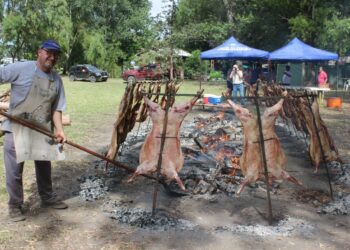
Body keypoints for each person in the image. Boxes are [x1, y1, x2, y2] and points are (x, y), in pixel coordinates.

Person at [0, 39, 68, 222]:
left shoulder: (57, 79)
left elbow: (57, 108)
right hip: (16, 128)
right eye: (49, 53)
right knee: (14, 171)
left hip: (42, 129)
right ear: (39, 52)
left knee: (45, 166)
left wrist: (59, 130)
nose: (52, 58)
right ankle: (14, 205)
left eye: (56, 55)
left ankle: (47, 197)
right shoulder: (21, 69)